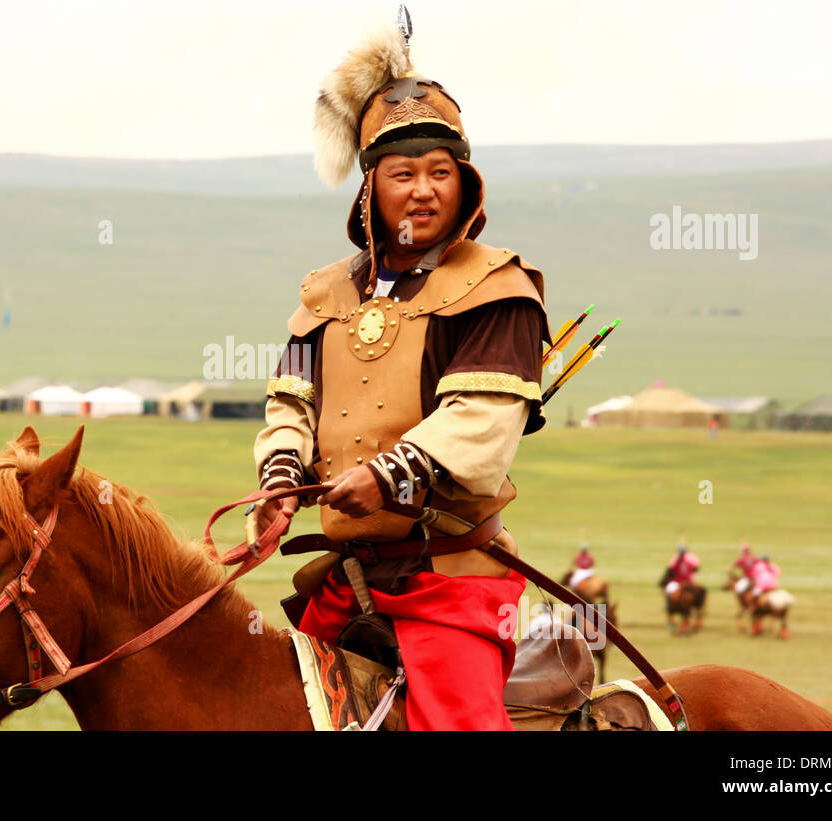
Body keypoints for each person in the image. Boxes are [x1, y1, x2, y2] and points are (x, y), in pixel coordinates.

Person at [252, 18, 550, 730]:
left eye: (440, 172)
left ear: (465, 182)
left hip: (447, 579)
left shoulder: (499, 288)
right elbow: (289, 405)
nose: (422, 190)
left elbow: (480, 425)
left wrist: (386, 476)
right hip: (342, 581)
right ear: (370, 188)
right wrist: (280, 483)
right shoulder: (323, 295)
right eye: (403, 173)